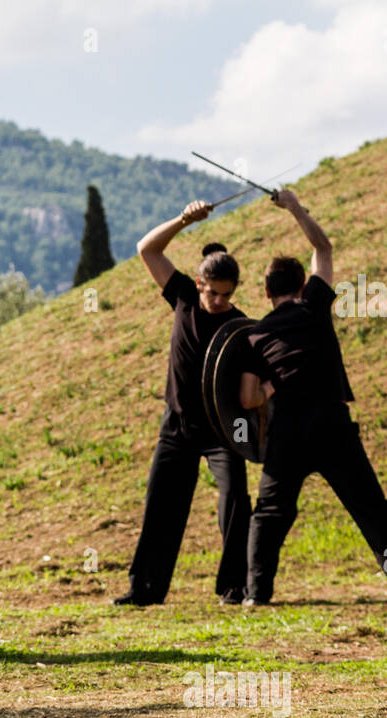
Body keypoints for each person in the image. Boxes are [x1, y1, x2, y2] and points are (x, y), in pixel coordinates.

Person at [238, 189, 387, 607]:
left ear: (266, 295)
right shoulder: (314, 307)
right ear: (302, 287)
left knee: (269, 515)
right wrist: (295, 207)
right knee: (372, 511)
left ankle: (256, 596)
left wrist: (273, 385)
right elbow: (323, 247)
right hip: (331, 425)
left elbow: (247, 400)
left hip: (288, 432)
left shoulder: (255, 335)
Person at [114, 200, 252, 607]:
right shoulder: (184, 298)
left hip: (223, 429)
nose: (219, 301)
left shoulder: (240, 324)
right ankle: (145, 590)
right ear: (199, 283)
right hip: (176, 426)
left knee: (236, 501)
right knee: (161, 505)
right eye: (213, 293)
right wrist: (184, 220)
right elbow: (147, 249)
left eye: (227, 295)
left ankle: (235, 588)